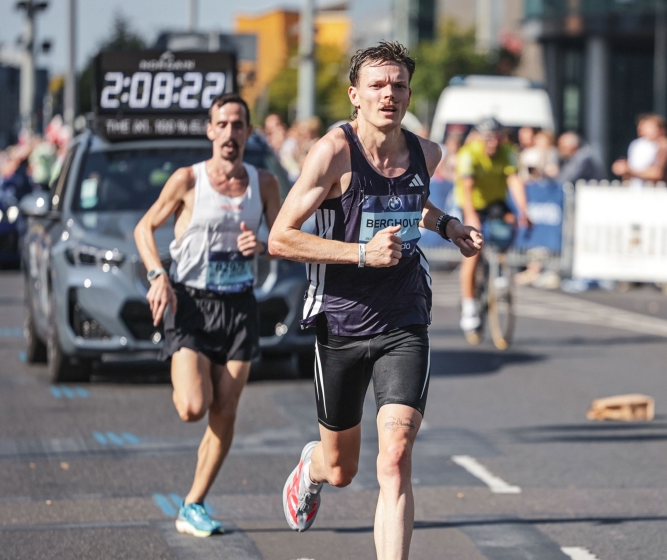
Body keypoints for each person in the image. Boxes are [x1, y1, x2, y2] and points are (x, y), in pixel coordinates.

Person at [267, 42, 482, 560]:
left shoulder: (427, 153)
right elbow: (280, 237)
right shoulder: (333, 152)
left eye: (399, 85)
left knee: (396, 456)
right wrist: (361, 253)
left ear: (409, 95)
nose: (389, 94)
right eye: (378, 85)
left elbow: (414, 201)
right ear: (355, 96)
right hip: (340, 321)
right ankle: (310, 468)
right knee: (342, 469)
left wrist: (448, 225)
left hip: (405, 317)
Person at [133, 94, 283, 537]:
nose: (230, 133)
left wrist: (261, 246)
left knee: (226, 408)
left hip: (239, 306)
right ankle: (185, 373)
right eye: (223, 124)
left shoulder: (265, 183)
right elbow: (145, 227)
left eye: (239, 125)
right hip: (191, 304)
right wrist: (158, 274)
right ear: (210, 131)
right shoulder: (188, 180)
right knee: (193, 408)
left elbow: (283, 239)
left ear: (248, 133)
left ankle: (193, 503)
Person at [455, 117, 531, 336]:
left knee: (510, 223)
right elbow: (467, 187)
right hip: (472, 203)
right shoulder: (469, 154)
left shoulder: (508, 152)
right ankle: (469, 306)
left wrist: (524, 211)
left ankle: (499, 265)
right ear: (480, 138)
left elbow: (515, 182)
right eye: (489, 138)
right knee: (473, 252)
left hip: (495, 202)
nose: (494, 142)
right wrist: (470, 216)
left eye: (497, 137)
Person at [611, 113, 667, 185]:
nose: (642, 130)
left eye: (648, 127)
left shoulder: (664, 145)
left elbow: (658, 173)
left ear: (660, 129)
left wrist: (629, 170)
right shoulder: (641, 145)